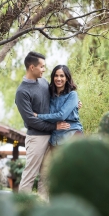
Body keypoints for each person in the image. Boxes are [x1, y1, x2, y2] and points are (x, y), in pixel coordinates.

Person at [14, 51, 70, 199]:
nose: (44, 70)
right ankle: (22, 207)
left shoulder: (44, 82)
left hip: (52, 137)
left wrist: (73, 104)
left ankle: (43, 207)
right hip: (36, 139)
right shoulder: (22, 92)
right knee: (30, 175)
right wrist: (54, 127)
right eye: (42, 67)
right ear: (32, 67)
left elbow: (57, 100)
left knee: (46, 176)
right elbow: (31, 120)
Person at [32, 65, 83, 146]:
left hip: (71, 136)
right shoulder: (50, 95)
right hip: (55, 138)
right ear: (53, 77)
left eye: (62, 76)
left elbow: (61, 116)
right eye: (56, 75)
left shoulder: (72, 95)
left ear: (67, 78)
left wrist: (38, 116)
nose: (58, 79)